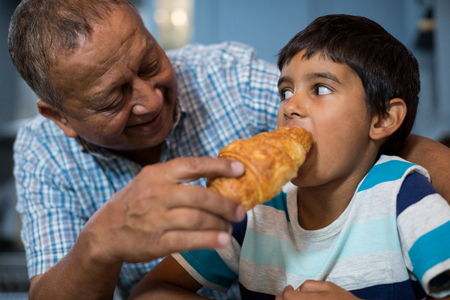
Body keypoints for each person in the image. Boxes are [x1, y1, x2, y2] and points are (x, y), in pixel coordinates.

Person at [7, 0, 450, 298]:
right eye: (113, 99)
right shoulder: (257, 218)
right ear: (60, 117)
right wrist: (99, 243)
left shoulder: (224, 76)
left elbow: (375, 137)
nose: (152, 99)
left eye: (150, 64)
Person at [128, 15, 450, 300]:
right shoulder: (255, 215)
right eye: (285, 91)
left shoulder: (406, 198)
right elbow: (149, 292)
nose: (289, 107)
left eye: (320, 88)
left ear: (382, 119)